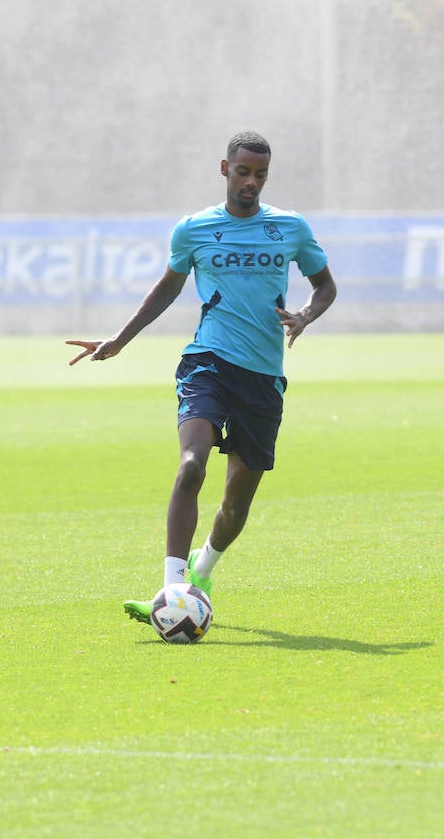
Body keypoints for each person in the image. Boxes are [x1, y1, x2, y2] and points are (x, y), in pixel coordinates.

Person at [67, 131, 337, 623]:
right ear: (224, 168)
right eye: (243, 172)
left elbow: (325, 286)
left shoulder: (290, 227)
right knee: (191, 465)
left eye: (260, 175)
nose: (251, 182)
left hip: (262, 378)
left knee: (235, 505)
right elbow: (168, 287)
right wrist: (120, 339)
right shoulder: (193, 230)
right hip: (207, 363)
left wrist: (305, 315)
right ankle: (171, 592)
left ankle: (203, 568)